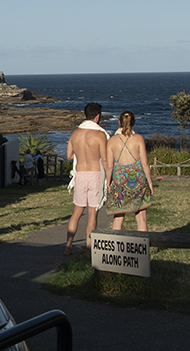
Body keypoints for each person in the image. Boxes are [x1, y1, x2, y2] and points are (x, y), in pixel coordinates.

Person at [64, 103, 109, 256]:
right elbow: (105, 159)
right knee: (92, 213)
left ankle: (68, 246)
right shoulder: (100, 135)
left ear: (85, 116)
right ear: (98, 116)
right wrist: (109, 180)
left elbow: (69, 155)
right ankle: (89, 249)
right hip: (95, 174)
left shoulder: (75, 134)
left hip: (80, 174)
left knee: (76, 212)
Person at [105, 111, 154, 232]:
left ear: (119, 122)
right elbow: (145, 163)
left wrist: (108, 182)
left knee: (118, 217)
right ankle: (143, 248)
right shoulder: (139, 139)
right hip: (138, 180)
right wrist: (150, 183)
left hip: (120, 181)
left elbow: (110, 166)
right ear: (133, 123)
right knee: (141, 218)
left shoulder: (111, 141)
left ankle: (116, 247)